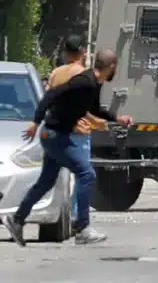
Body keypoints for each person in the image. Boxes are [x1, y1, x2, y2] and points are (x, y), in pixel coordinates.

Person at [2, 48, 131, 246]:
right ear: (111, 67)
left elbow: (94, 109)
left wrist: (117, 118)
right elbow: (51, 94)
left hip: (57, 135)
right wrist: (36, 122)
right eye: (116, 68)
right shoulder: (84, 82)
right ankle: (83, 228)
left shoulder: (93, 85)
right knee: (86, 173)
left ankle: (17, 219)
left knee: (46, 182)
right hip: (54, 135)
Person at [45, 35, 102, 228]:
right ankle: (78, 218)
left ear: (65, 53)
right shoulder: (85, 75)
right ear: (83, 52)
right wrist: (100, 122)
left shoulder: (55, 74)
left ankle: (53, 212)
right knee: (83, 175)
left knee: (55, 176)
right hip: (79, 133)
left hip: (58, 131)